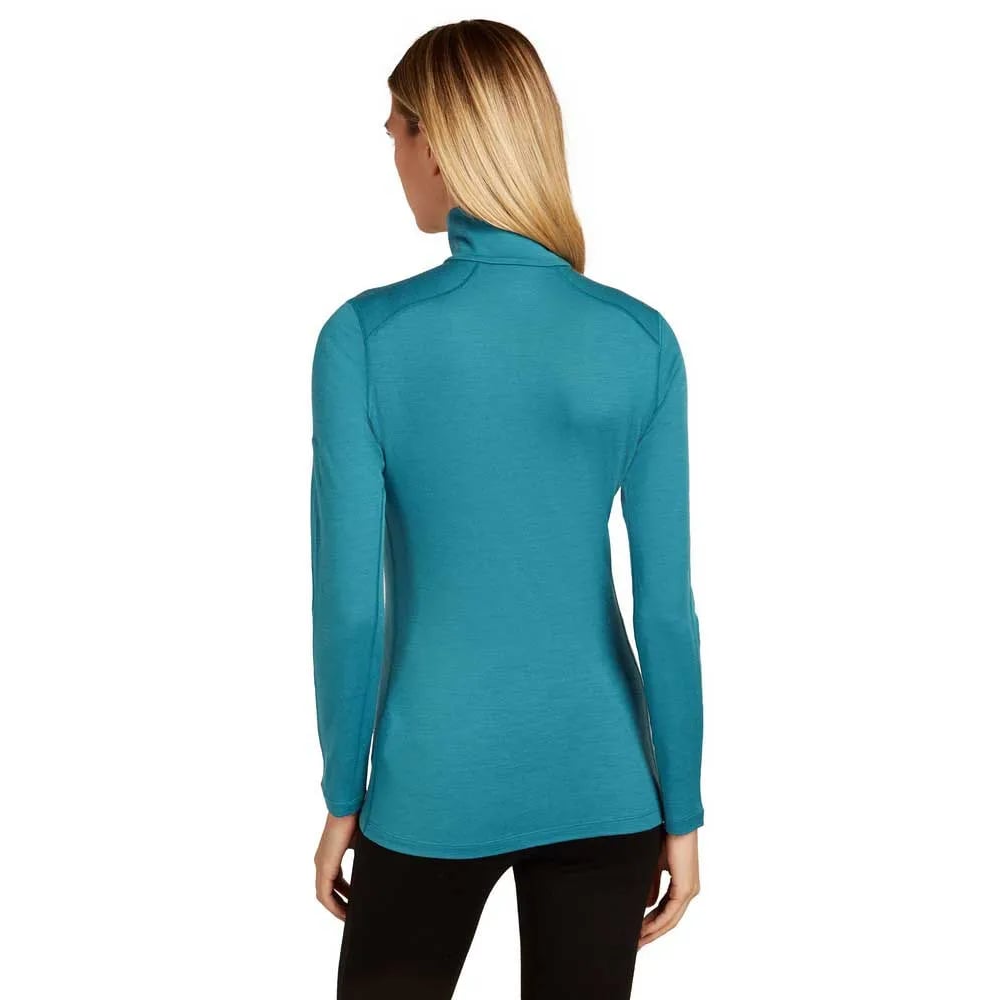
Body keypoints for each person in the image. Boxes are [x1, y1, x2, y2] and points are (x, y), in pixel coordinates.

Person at [310, 19, 704, 1000]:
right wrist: (684, 808)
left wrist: (343, 793)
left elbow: (350, 608)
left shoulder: (366, 339)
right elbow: (666, 609)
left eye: (394, 131)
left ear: (436, 141)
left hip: (432, 778)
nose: (392, 156)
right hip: (606, 782)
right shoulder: (640, 339)